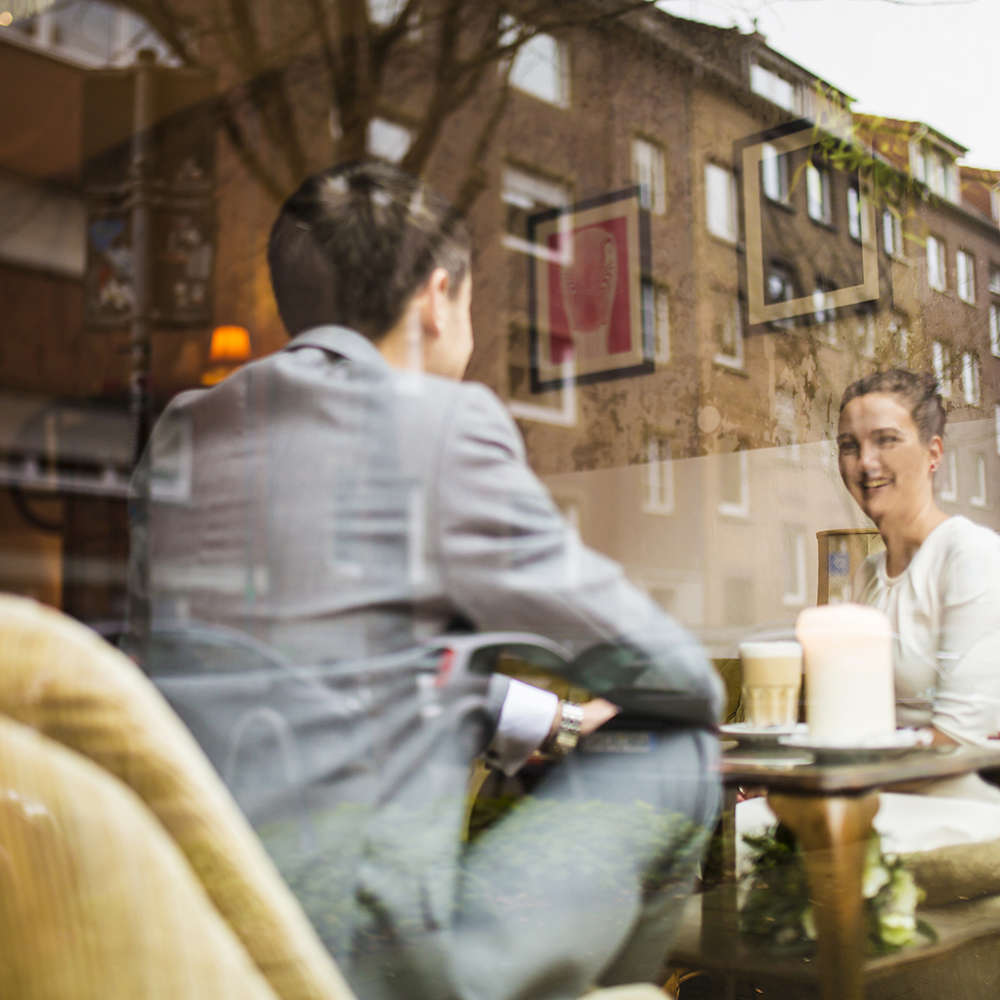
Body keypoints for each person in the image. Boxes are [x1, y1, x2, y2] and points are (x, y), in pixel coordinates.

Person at [128, 160, 722, 1000]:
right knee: (679, 746)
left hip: (205, 941)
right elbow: (676, 676)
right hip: (377, 966)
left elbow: (275, 676)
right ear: (439, 299)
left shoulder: (185, 433)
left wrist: (544, 719)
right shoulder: (441, 422)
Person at [837, 369, 1000, 790]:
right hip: (877, 798)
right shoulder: (867, 575)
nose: (865, 462)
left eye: (886, 440)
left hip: (957, 809)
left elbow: (959, 739)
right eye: (849, 445)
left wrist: (827, 776)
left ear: (933, 453)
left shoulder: (970, 554)